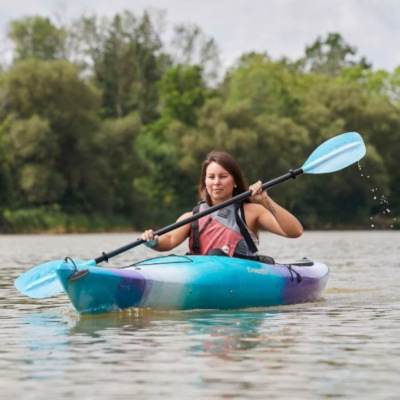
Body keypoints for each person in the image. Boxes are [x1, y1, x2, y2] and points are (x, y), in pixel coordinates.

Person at [140, 151, 303, 257]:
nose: (216, 182)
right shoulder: (192, 217)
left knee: (217, 254)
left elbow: (295, 231)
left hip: (241, 277)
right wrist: (152, 240)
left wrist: (265, 200)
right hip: (202, 278)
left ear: (235, 182)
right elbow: (168, 240)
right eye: (211, 177)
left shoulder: (253, 212)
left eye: (223, 176)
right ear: (205, 182)